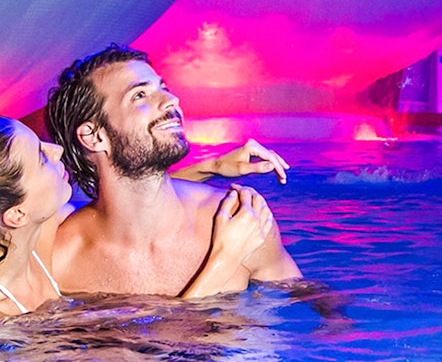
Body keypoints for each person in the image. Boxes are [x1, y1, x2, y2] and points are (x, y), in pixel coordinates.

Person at [0, 113, 283, 326]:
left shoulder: (30, 239)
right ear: (16, 214)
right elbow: (169, 360)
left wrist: (211, 168)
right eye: (41, 157)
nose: (56, 150)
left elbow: (126, 204)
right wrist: (224, 259)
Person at [45, 44, 303, 296]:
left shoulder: (240, 221)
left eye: (163, 88)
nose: (171, 100)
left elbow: (311, 309)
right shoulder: (60, 258)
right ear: (93, 137)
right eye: (139, 96)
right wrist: (225, 260)